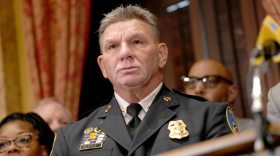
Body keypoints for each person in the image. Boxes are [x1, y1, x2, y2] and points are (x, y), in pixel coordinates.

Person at [50, 5, 235, 156]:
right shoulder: (70, 138)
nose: (124, 53)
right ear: (103, 66)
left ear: (161, 55)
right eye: (113, 46)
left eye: (137, 42)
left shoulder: (207, 117)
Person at [183, 58, 255, 132]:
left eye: (210, 82)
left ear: (231, 93)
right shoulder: (178, 138)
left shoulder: (253, 131)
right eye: (192, 83)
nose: (198, 89)